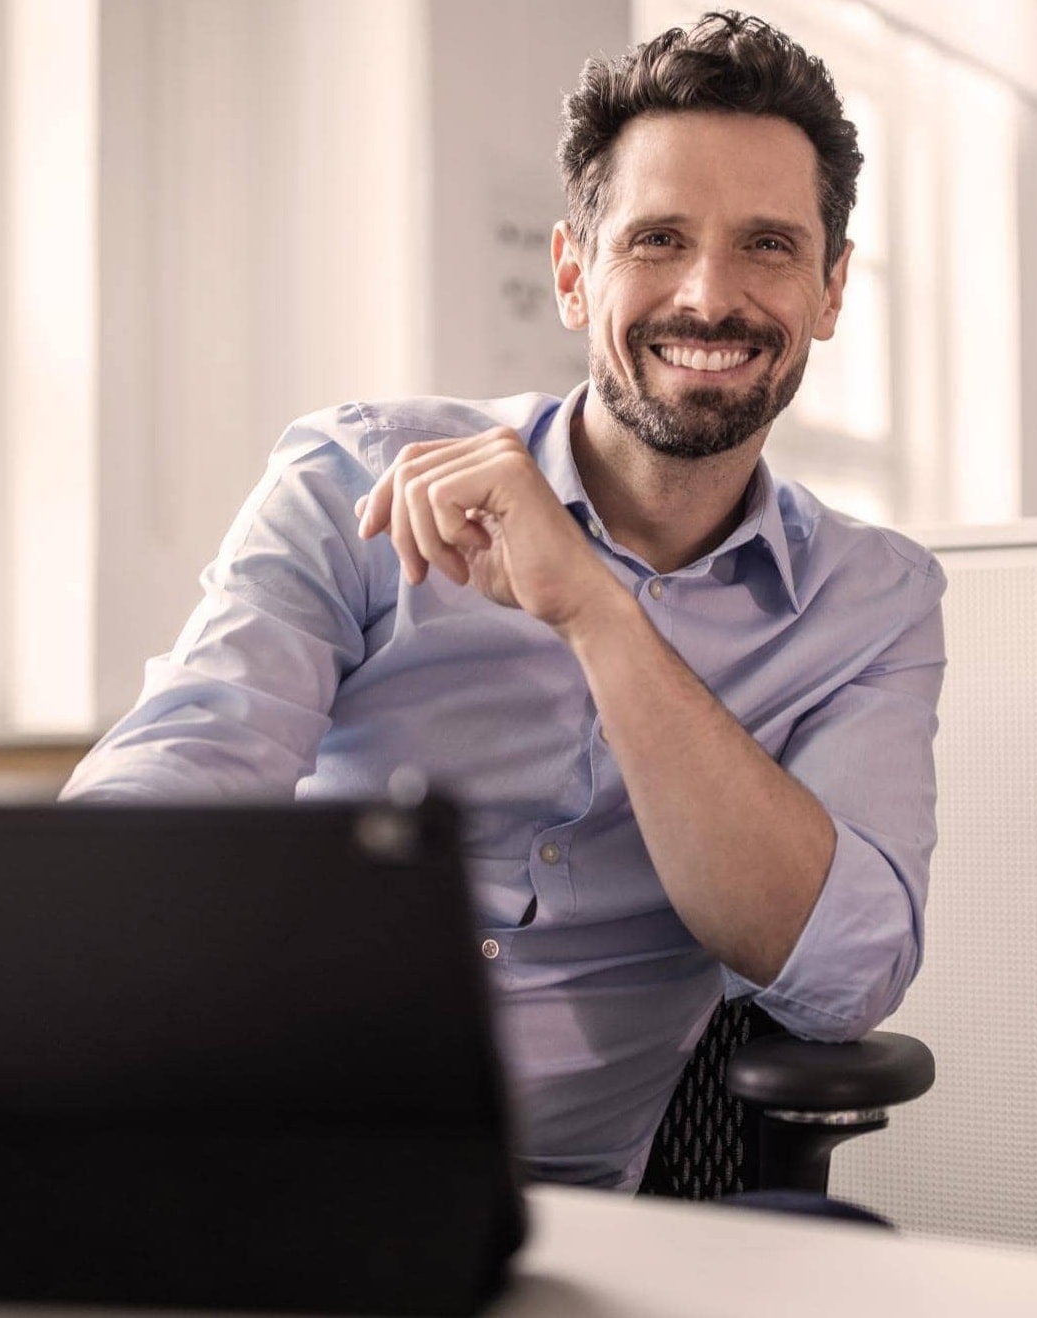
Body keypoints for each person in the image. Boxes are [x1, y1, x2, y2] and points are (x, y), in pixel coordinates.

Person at [62, 9, 947, 1192]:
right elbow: (190, 758)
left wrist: (596, 612)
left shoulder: (871, 604)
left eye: (770, 246)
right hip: (259, 1151)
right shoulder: (355, 478)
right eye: (659, 238)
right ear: (575, 273)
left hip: (572, 1226)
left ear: (831, 291)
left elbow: (844, 976)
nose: (708, 294)